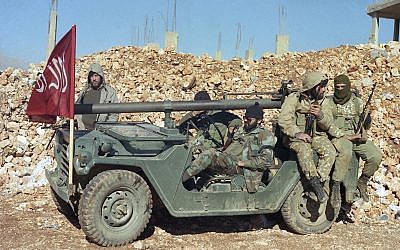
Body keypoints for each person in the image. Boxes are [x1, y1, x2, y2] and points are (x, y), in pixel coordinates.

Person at [182, 102, 277, 193]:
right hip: (230, 160)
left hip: (243, 168)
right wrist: (230, 135)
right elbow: (228, 147)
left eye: (249, 119)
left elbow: (266, 161)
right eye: (244, 118)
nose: (245, 121)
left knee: (209, 155)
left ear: (259, 120)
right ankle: (188, 185)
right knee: (194, 153)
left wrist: (244, 163)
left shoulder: (265, 135)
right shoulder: (241, 131)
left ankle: (180, 181)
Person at [278, 71, 336, 203]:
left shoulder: (323, 101)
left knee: (330, 150)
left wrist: (320, 115)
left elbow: (329, 123)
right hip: (294, 137)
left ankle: (318, 182)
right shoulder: (294, 98)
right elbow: (284, 120)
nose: (324, 89)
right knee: (304, 150)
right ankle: (313, 182)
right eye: (321, 87)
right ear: (314, 86)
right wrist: (297, 133)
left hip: (314, 136)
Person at [326, 74, 382, 202]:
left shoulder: (357, 102)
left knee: (375, 156)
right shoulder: (329, 103)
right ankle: (336, 185)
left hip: (357, 136)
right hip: (340, 136)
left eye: (343, 86)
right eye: (337, 87)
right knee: (345, 153)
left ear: (348, 86)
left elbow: (366, 125)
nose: (340, 89)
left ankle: (363, 181)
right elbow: (327, 124)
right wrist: (344, 135)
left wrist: (367, 119)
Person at [76, 63, 119, 130]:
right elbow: (77, 108)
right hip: (83, 131)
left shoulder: (109, 92)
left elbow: (114, 114)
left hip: (100, 132)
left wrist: (106, 129)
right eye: (91, 76)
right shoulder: (84, 92)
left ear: (101, 76)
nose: (94, 79)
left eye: (96, 76)